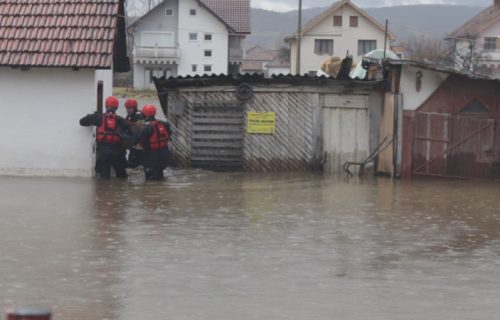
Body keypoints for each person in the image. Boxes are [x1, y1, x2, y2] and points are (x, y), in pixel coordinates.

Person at [80, 96, 132, 179]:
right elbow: (130, 133)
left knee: (104, 178)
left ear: (106, 106)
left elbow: (82, 122)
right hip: (117, 151)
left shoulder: (98, 117)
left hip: (103, 151)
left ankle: (104, 190)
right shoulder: (121, 120)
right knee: (122, 177)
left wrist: (92, 115)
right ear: (117, 107)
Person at [135, 104, 172, 181]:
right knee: (160, 176)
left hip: (151, 157)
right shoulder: (164, 124)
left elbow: (137, 138)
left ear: (145, 114)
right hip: (164, 156)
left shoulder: (146, 127)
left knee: (150, 181)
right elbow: (169, 133)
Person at [124, 98, 145, 168]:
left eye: (130, 108)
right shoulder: (130, 116)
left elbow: (139, 129)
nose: (128, 110)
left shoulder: (139, 116)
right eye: (127, 108)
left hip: (139, 146)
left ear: (134, 108)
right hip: (134, 145)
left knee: (136, 165)